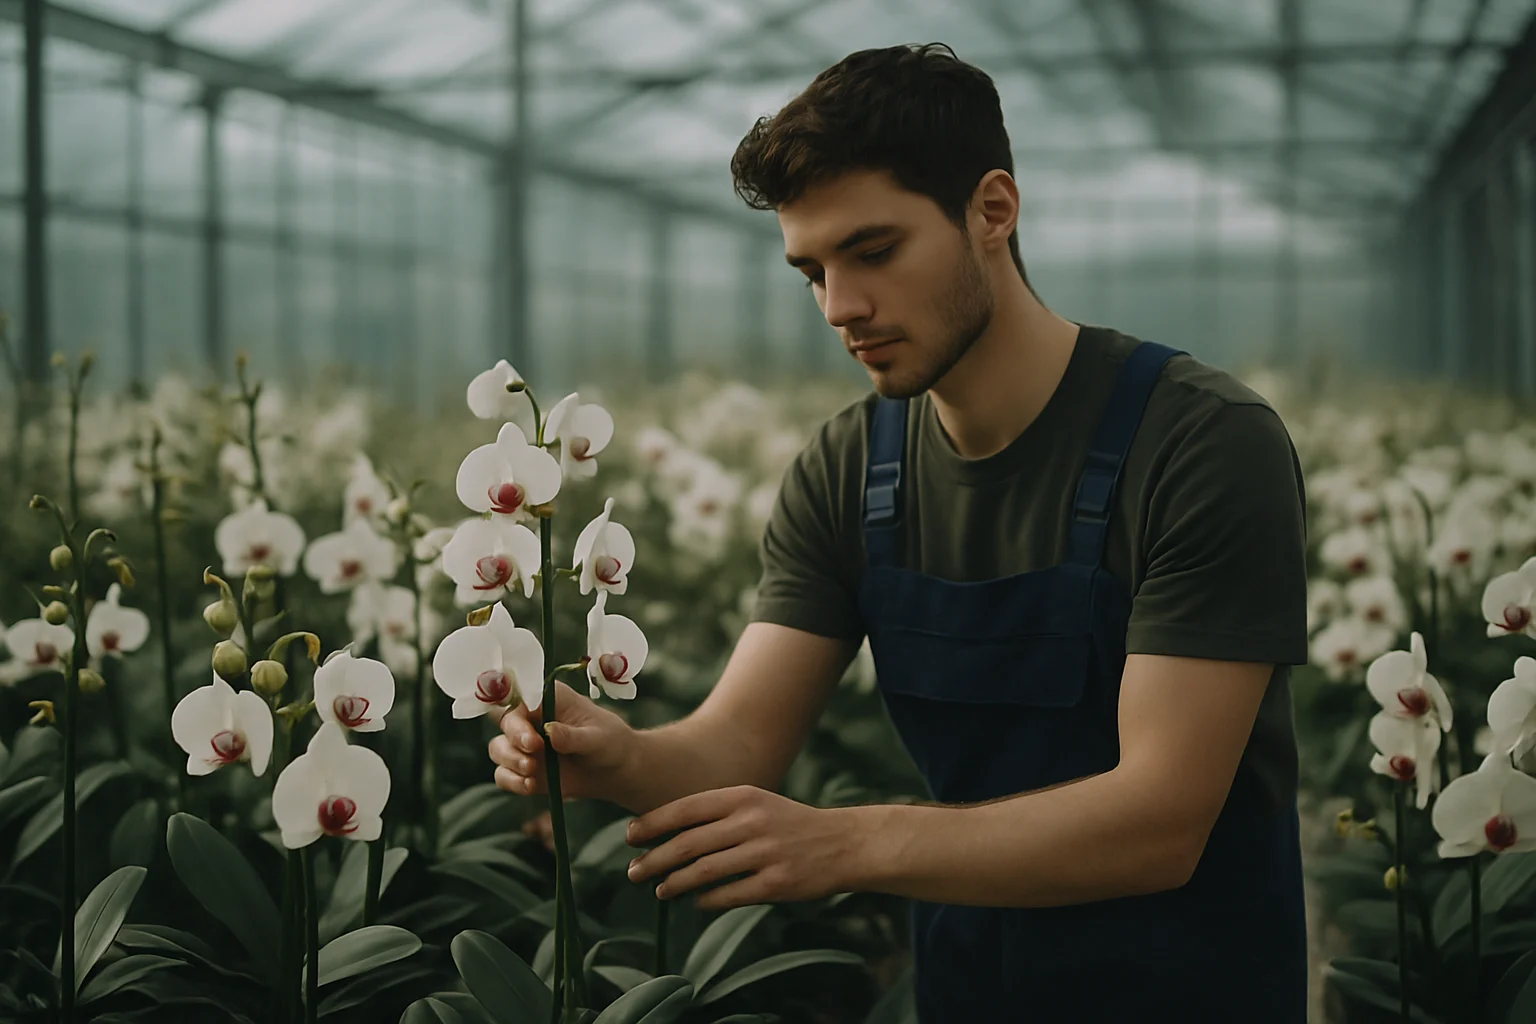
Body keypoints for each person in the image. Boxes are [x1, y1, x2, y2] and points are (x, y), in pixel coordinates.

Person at [489, 42, 1310, 1023]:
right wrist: (619, 755)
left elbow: (1159, 823)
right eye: (812, 271)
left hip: (1193, 990)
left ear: (992, 212)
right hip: (968, 983)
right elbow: (739, 742)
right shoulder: (848, 471)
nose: (841, 306)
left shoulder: (1201, 444)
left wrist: (847, 842)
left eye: (873, 252)